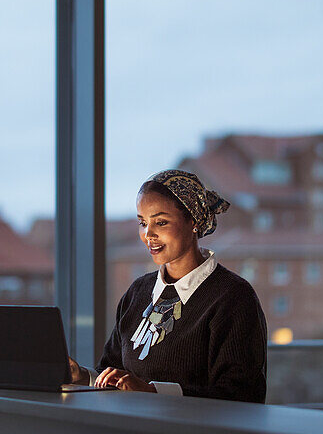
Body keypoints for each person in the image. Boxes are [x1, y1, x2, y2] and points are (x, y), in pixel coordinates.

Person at [69, 169, 267, 402]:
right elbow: (111, 372)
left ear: (193, 221)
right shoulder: (138, 292)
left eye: (160, 222)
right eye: (142, 223)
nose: (147, 234)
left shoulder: (233, 297)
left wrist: (153, 392)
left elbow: (243, 394)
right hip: (133, 433)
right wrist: (82, 376)